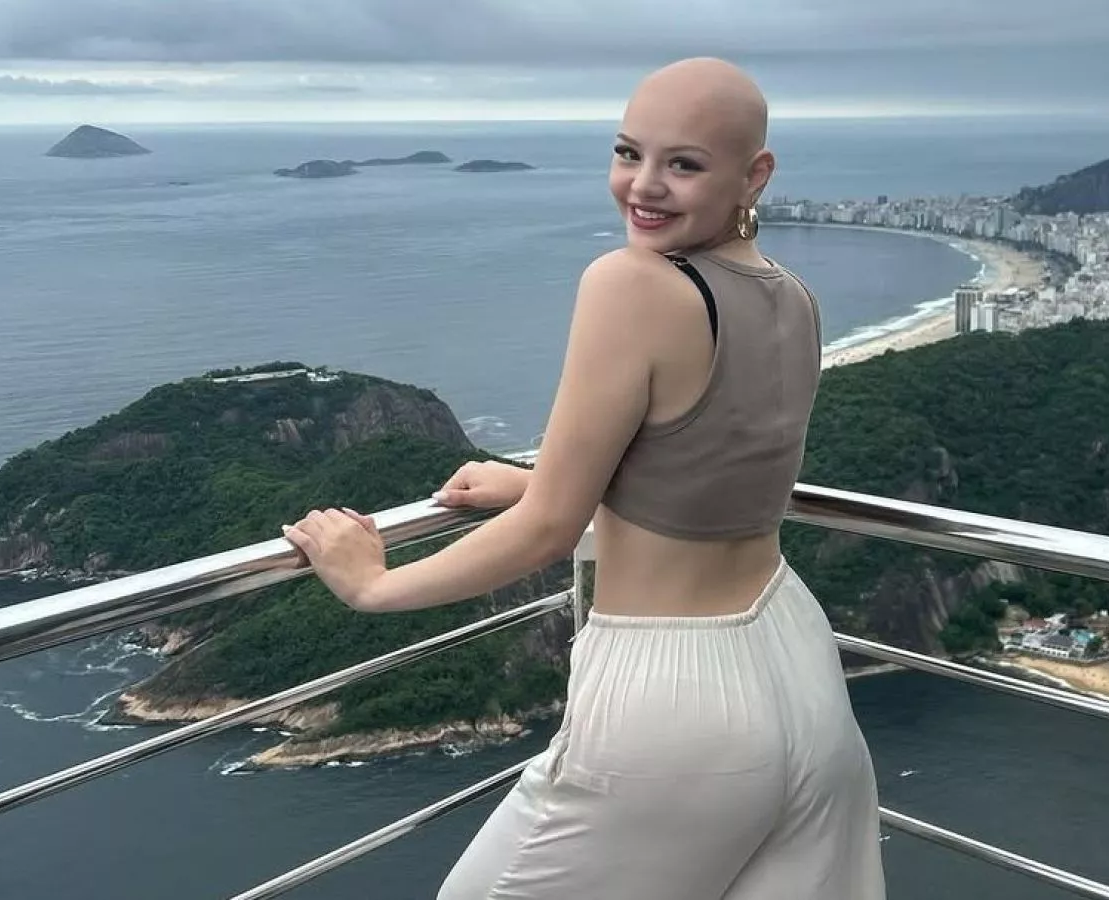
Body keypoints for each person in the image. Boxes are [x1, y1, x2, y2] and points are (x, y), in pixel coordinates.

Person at [281, 56, 886, 900]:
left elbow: (548, 533)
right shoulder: (795, 299)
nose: (643, 185)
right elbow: (711, 486)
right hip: (798, 664)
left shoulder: (629, 283)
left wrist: (373, 585)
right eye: (628, 152)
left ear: (755, 175)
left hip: (673, 703)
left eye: (683, 164)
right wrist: (540, 482)